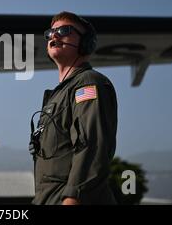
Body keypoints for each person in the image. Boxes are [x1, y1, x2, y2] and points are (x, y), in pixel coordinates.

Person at [29, 11, 118, 205]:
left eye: (64, 30)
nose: (54, 35)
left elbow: (92, 145)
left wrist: (73, 198)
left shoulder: (88, 83)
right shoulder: (60, 94)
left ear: (86, 43)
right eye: (51, 32)